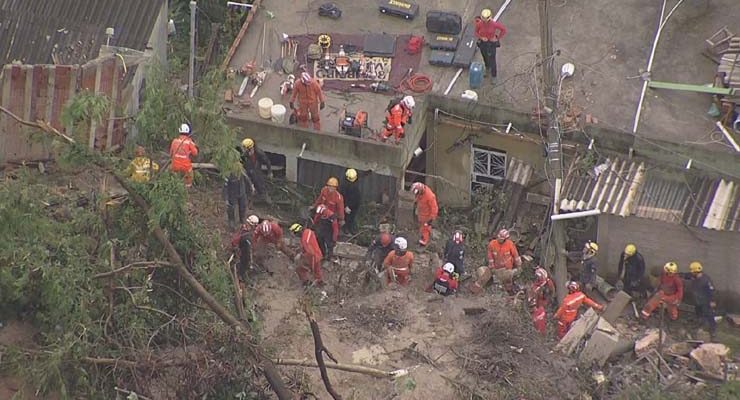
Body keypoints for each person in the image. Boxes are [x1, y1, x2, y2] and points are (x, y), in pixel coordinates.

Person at [471, 229, 522, 294]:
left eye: (501, 238)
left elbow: (516, 256)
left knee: (508, 278)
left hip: (506, 268)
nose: (499, 239)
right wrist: (491, 265)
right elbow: (490, 255)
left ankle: (509, 290)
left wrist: (518, 265)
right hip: (495, 267)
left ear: (505, 239)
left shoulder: (510, 244)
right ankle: (475, 289)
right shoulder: (492, 244)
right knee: (484, 276)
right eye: (499, 237)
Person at [681, 262, 717, 339]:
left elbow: (712, 290)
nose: (691, 273)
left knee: (709, 315)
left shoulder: (706, 280)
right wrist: (677, 274)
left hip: (705, 301)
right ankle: (700, 324)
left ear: (696, 272)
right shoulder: (693, 276)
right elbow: (686, 275)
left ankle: (713, 330)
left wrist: (712, 301)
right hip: (697, 301)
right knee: (699, 313)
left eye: (692, 271)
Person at [474, 8, 507, 80]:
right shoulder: (479, 24)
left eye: (486, 19)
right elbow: (476, 32)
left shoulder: (494, 24)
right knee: (485, 57)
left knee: (492, 60)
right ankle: (487, 69)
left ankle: (494, 76)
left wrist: (497, 38)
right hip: (483, 43)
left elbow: (503, 30)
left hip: (491, 43)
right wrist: (481, 37)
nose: (485, 21)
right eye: (483, 19)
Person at [239, 138, 272, 204]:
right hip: (249, 170)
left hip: (256, 170)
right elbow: (241, 163)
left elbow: (267, 162)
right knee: (247, 184)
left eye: (245, 148)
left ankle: (265, 197)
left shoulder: (259, 153)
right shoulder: (245, 156)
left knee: (259, 182)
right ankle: (250, 198)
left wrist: (269, 172)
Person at [229, 215, 260, 283]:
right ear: (253, 226)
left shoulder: (242, 228)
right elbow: (247, 252)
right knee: (243, 265)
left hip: (236, 248)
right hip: (240, 251)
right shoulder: (247, 238)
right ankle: (240, 278)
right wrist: (250, 263)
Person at [223, 163, 253, 228]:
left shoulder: (242, 173)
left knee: (243, 207)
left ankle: (242, 221)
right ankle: (231, 221)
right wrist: (226, 199)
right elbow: (225, 188)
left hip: (242, 193)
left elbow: (248, 181)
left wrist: (250, 190)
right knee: (231, 207)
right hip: (232, 194)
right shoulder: (228, 175)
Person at [528, 267, 555, 335]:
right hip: (539, 306)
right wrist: (534, 307)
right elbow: (531, 299)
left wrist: (550, 299)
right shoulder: (535, 288)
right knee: (539, 320)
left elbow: (552, 291)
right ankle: (540, 332)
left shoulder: (548, 282)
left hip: (546, 302)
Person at [411, 182, 438, 246]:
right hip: (421, 214)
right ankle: (422, 238)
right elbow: (418, 198)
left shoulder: (430, 196)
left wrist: (431, 219)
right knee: (421, 228)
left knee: (425, 228)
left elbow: (434, 208)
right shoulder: (420, 193)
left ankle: (424, 242)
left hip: (427, 216)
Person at [339, 168, 361, 234]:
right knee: (346, 217)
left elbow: (356, 196)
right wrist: (345, 206)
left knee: (352, 217)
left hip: (355, 204)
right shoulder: (344, 185)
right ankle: (345, 229)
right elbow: (342, 196)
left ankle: (351, 229)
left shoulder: (355, 184)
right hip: (347, 204)